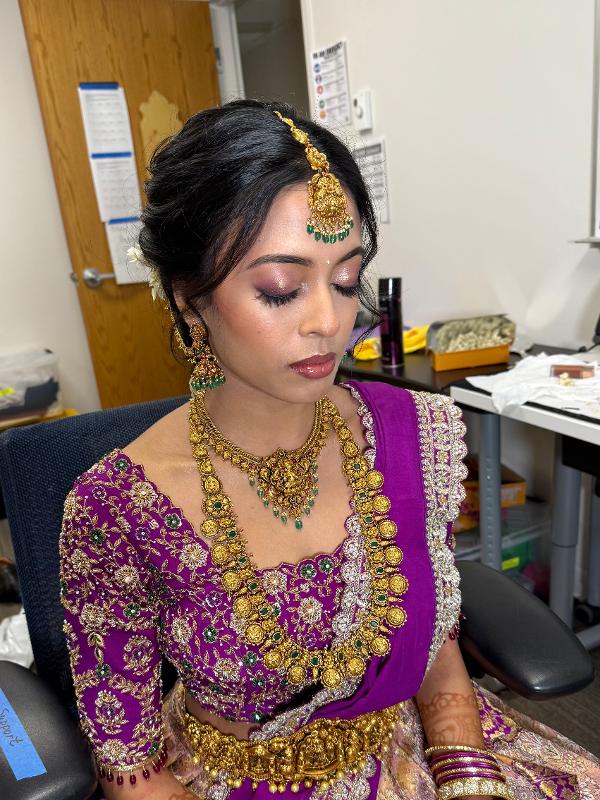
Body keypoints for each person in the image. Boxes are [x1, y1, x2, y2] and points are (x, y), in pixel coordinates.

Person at [59, 100, 600, 800]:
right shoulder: (117, 509)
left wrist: (467, 775)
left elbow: (430, 637)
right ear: (191, 300)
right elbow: (131, 769)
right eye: (281, 290)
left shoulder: (409, 433)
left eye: (346, 280)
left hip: (415, 747)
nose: (331, 321)